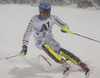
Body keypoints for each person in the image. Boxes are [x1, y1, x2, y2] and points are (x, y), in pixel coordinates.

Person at [20, 2, 90, 76]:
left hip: (50, 39)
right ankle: (63, 63)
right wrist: (24, 46)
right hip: (39, 40)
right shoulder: (34, 20)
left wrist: (65, 29)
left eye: (48, 13)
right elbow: (27, 34)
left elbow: (64, 24)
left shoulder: (52, 18)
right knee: (45, 46)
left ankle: (80, 63)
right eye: (43, 13)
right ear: (40, 12)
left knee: (61, 51)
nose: (46, 15)